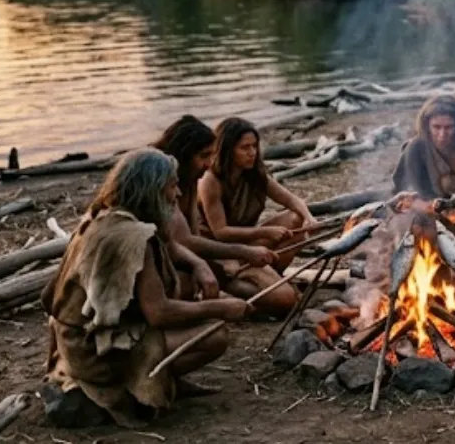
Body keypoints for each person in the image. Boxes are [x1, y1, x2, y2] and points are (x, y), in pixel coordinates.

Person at [43, 148, 250, 428]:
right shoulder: (134, 237)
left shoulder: (98, 219)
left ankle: (165, 375)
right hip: (94, 352)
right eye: (172, 186)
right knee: (216, 333)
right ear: (149, 189)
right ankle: (135, 385)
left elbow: (48, 296)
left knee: (186, 285)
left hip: (74, 340)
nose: (177, 195)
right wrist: (222, 308)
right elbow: (159, 313)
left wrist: (200, 266)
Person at [151, 116, 279, 303]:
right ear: (184, 154)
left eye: (210, 155)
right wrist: (242, 252)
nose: (209, 163)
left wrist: (220, 262)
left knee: (280, 298)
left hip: (188, 261)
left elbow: (192, 236)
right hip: (160, 268)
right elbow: (184, 241)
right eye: (204, 156)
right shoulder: (161, 184)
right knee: (274, 298)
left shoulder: (191, 177)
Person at [197, 117, 316, 316]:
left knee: (295, 219)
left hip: (247, 244)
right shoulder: (211, 181)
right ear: (228, 149)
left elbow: (290, 199)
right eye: (245, 148)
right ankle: (235, 291)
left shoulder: (254, 174)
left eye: (254, 146)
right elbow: (220, 232)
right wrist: (266, 231)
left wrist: (309, 217)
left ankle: (270, 277)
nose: (252, 152)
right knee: (288, 301)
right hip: (221, 253)